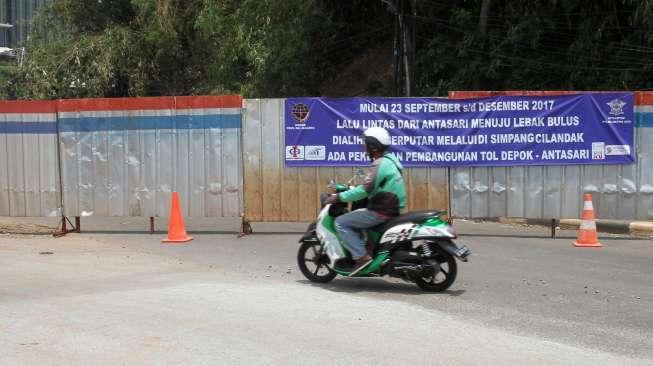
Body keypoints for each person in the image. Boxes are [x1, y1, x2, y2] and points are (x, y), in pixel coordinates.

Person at [325, 127, 407, 276]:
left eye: (365, 143)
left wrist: (338, 197)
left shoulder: (380, 164)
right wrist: (353, 189)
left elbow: (365, 189)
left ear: (372, 146)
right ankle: (369, 249)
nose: (364, 146)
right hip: (390, 208)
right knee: (358, 216)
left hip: (380, 211)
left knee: (341, 223)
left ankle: (362, 257)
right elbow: (373, 186)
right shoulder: (391, 162)